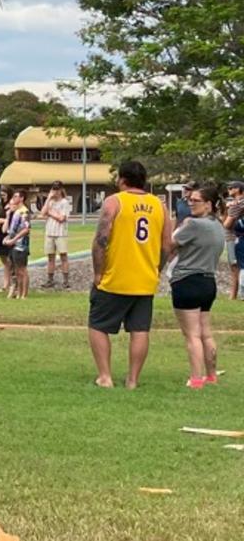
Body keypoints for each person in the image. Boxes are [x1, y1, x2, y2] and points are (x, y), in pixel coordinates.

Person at [88, 160, 171, 390]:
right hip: (145, 279)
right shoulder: (159, 205)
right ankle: (133, 380)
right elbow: (167, 245)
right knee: (140, 330)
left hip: (115, 278)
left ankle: (105, 376)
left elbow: (101, 241)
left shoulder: (114, 202)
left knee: (97, 325)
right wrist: (157, 269)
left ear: (121, 179)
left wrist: (98, 273)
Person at [169, 184, 225, 389]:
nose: (190, 203)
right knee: (206, 333)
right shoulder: (218, 225)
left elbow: (169, 243)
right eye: (188, 200)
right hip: (208, 281)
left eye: (195, 200)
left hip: (187, 281)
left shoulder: (193, 224)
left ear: (209, 204)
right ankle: (211, 376)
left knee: (192, 335)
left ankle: (196, 379)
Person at [38, 180, 72, 289]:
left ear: (61, 189)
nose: (55, 191)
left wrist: (51, 213)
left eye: (57, 189)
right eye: (54, 189)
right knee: (50, 257)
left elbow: (62, 218)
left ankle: (66, 280)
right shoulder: (50, 202)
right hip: (49, 231)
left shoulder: (65, 202)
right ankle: (50, 279)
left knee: (63, 256)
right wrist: (48, 199)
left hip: (60, 232)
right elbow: (42, 213)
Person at [3, 191, 31, 299]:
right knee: (16, 270)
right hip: (13, 244)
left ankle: (24, 294)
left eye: (16, 196)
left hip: (21, 245)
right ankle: (19, 292)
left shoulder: (24, 212)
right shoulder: (16, 211)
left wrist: (14, 239)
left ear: (22, 198)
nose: (13, 198)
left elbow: (26, 229)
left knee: (22, 269)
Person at [221, 181, 244, 301]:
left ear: (239, 189)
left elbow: (226, 224)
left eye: (231, 187)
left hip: (234, 237)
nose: (228, 189)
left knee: (235, 266)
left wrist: (228, 209)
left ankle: (233, 295)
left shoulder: (237, 204)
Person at [0, 189, 12, 294]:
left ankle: (9, 283)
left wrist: (2, 220)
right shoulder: (2, 206)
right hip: (0, 232)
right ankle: (6, 283)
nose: (2, 197)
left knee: (9, 259)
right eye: (1, 195)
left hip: (8, 233)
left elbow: (13, 220)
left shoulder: (11, 206)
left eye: (4, 195)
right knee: (4, 260)